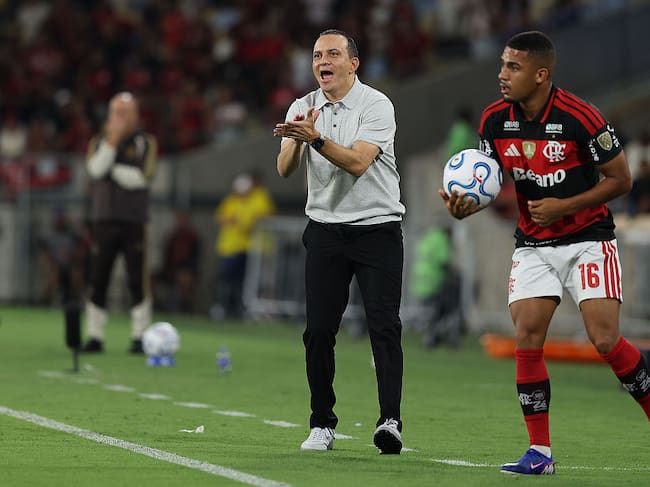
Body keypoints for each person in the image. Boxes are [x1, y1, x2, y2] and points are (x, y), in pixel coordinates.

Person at [439, 31, 650, 475]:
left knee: (605, 339)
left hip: (589, 239)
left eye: (512, 67)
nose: (502, 74)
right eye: (502, 65)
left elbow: (622, 179)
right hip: (534, 245)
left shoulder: (581, 116)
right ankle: (540, 453)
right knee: (528, 336)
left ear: (541, 74)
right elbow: (489, 183)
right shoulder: (495, 121)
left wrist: (564, 206)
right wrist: (466, 207)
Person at [273, 29, 406, 454]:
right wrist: (296, 139)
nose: (322, 62)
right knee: (317, 332)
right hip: (326, 230)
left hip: (377, 229)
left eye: (332, 54)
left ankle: (390, 421)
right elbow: (284, 170)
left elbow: (359, 163)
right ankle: (321, 423)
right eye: (316, 55)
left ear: (354, 63)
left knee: (383, 327)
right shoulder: (302, 106)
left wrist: (314, 139)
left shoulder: (377, 105)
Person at [82, 92, 157, 354]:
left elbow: (141, 178)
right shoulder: (99, 141)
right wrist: (112, 145)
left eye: (126, 112)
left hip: (133, 221)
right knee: (98, 277)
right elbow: (93, 170)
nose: (120, 117)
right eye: (116, 112)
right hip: (103, 220)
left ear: (136, 115)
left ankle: (140, 335)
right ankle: (95, 335)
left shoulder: (145, 141)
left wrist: (110, 164)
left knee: (137, 278)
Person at [211, 171, 275, 320]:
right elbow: (220, 218)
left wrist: (246, 225)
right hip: (229, 248)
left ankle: (242, 309)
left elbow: (263, 216)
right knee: (227, 280)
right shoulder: (231, 201)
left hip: (247, 248)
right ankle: (225, 307)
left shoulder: (257, 198)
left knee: (245, 281)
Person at [153, 209, 201, 313]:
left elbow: (194, 257)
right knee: (151, 278)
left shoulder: (192, 236)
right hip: (170, 269)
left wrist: (187, 269)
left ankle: (185, 307)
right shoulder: (172, 236)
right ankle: (156, 305)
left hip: (186, 268)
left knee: (185, 278)